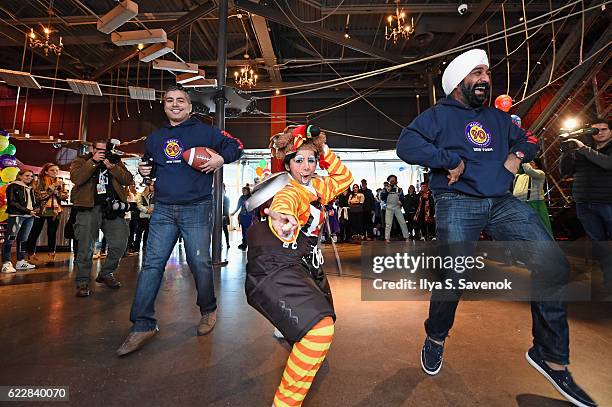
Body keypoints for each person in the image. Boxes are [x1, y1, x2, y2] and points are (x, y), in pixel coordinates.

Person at [396, 49, 596, 407]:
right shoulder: (439, 116)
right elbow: (406, 144)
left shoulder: (499, 119)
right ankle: (436, 336)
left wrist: (515, 156)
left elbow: (530, 140)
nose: (485, 78)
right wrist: (449, 159)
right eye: (477, 72)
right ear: (459, 81)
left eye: (487, 72)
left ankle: (549, 355)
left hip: (501, 203)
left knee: (553, 264)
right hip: (457, 201)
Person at [116, 85, 243, 356]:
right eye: (169, 100)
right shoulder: (155, 138)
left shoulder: (206, 132)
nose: (175, 104)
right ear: (164, 106)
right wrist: (144, 170)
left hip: (196, 208)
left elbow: (237, 146)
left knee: (200, 264)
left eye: (181, 100)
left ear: (189, 105)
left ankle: (208, 310)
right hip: (163, 209)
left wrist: (221, 158)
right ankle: (142, 324)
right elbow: (148, 169)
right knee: (151, 265)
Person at [245, 124, 352, 407]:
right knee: (319, 330)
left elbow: (344, 176)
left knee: (324, 315)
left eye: (311, 159)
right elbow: (285, 204)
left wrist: (322, 147)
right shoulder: (289, 189)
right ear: (288, 164)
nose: (306, 166)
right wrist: (280, 217)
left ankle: (287, 328)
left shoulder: (317, 185)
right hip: (275, 263)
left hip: (305, 264)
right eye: (299, 160)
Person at [70, 140, 133, 297]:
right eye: (99, 149)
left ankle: (106, 273)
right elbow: (77, 179)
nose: (103, 152)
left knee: (120, 243)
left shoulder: (115, 161)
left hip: (112, 209)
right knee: (85, 246)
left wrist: (112, 167)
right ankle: (82, 281)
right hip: (88, 208)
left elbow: (128, 180)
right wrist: (93, 162)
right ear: (92, 149)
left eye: (106, 150)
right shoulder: (81, 160)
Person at [25, 163, 67, 262]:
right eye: (52, 170)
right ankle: (31, 253)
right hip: (41, 210)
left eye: (57, 170)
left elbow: (64, 196)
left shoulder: (61, 182)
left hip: (55, 211)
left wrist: (56, 192)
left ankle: (52, 253)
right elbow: (38, 196)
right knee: (35, 231)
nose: (55, 172)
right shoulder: (39, 181)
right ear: (46, 171)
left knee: (52, 233)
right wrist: (51, 188)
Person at [2, 169, 37, 273]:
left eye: (31, 176)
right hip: (16, 216)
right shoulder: (13, 186)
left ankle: (20, 261)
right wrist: (28, 211)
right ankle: (6, 263)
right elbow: (12, 202)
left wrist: (35, 210)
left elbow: (34, 202)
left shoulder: (31, 188)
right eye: (27, 175)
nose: (29, 178)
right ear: (20, 176)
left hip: (29, 217)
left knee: (23, 239)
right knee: (10, 239)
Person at [513, 158, 553, 236]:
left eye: (531, 162)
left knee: (542, 227)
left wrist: (523, 159)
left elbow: (529, 170)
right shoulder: (518, 176)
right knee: (522, 229)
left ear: (537, 165)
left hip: (535, 203)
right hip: (519, 205)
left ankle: (547, 246)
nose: (529, 164)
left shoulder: (540, 173)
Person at [380, 174, 410, 242]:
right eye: (391, 180)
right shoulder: (385, 189)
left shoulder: (399, 189)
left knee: (402, 222)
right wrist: (387, 192)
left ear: (396, 181)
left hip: (397, 207)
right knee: (388, 223)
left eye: (393, 180)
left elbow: (402, 198)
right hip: (389, 207)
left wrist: (401, 201)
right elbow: (382, 198)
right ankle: (387, 238)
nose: (392, 181)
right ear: (389, 181)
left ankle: (406, 237)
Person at [135, 182, 155, 252]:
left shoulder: (152, 196)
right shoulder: (140, 195)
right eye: (152, 185)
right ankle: (136, 248)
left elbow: (153, 205)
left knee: (147, 233)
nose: (153, 187)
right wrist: (147, 210)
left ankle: (145, 246)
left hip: (149, 217)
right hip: (142, 217)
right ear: (147, 186)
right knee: (139, 233)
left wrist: (151, 210)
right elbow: (139, 205)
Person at [231, 186, 253, 250]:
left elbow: (253, 207)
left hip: (249, 216)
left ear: (248, 191)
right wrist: (234, 213)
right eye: (242, 190)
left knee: (248, 231)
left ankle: (250, 244)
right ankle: (244, 244)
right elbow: (238, 206)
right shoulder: (241, 197)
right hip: (242, 216)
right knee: (243, 231)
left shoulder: (251, 197)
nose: (243, 192)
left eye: (244, 190)